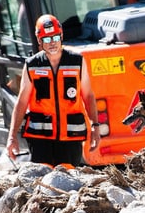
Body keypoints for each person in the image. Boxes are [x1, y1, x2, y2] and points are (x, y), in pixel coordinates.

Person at [6, 14, 100, 168]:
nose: (52, 43)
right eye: (47, 39)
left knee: (68, 180)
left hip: (71, 137)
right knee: (44, 180)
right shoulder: (32, 65)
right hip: (40, 137)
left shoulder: (77, 61)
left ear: (61, 35)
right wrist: (12, 137)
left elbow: (88, 95)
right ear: (39, 41)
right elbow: (22, 102)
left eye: (55, 37)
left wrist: (95, 127)